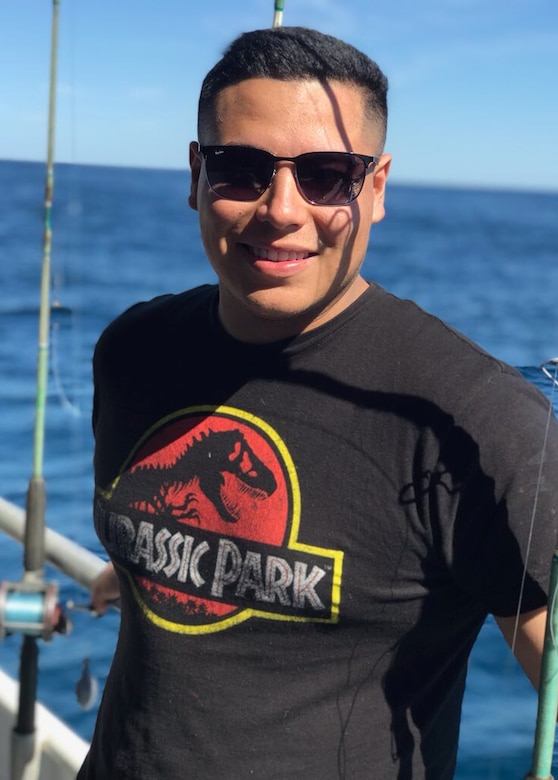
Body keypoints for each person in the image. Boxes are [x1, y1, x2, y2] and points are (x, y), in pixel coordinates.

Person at [78, 26, 558, 779]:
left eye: (327, 174)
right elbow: (165, 532)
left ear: (376, 188)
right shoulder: (134, 350)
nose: (282, 209)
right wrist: (135, 566)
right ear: (196, 173)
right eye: (242, 167)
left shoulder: (475, 419)